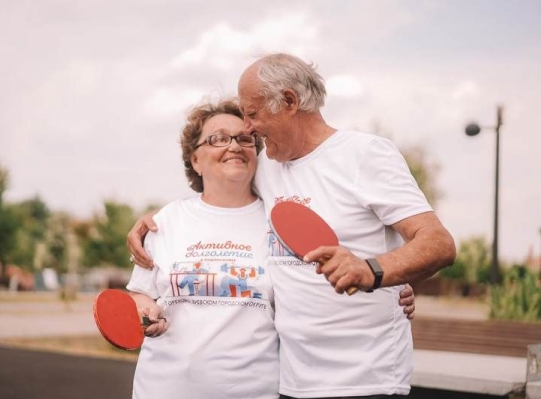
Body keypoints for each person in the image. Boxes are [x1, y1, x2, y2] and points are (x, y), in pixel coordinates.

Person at [129, 54, 443, 398]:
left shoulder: (365, 154)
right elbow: (218, 192)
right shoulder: (268, 169)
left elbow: (437, 243)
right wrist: (152, 222)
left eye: (251, 114)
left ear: (289, 102)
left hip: (364, 377)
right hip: (293, 383)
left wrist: (375, 271)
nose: (246, 130)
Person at [126, 99, 279, 398]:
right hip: (162, 389)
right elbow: (140, 293)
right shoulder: (165, 220)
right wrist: (144, 309)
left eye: (245, 138)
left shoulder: (277, 223)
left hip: (255, 391)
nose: (234, 146)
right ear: (195, 160)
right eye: (219, 138)